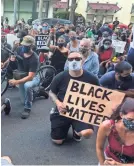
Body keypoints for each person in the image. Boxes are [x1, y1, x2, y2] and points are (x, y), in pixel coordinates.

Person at [49, 52, 99, 145]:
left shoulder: (92, 78)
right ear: (67, 62)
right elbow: (51, 92)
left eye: (77, 59)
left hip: (80, 112)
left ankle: (77, 132)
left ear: (82, 60)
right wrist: (58, 103)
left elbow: (98, 96)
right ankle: (54, 116)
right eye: (71, 59)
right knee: (57, 141)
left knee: (87, 133)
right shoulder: (60, 76)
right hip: (63, 110)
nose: (74, 61)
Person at [96, 97, 134, 165]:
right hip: (109, 159)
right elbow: (99, 147)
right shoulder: (107, 126)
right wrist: (102, 163)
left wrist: (119, 165)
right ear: (121, 115)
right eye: (130, 120)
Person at [9, 36, 40, 119]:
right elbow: (13, 59)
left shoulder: (34, 58)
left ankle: (27, 108)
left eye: (26, 46)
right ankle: (38, 93)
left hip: (33, 77)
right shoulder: (19, 49)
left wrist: (16, 82)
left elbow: (30, 77)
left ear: (31, 46)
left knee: (28, 86)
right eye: (23, 45)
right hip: (22, 75)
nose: (24, 47)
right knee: (23, 101)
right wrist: (12, 59)